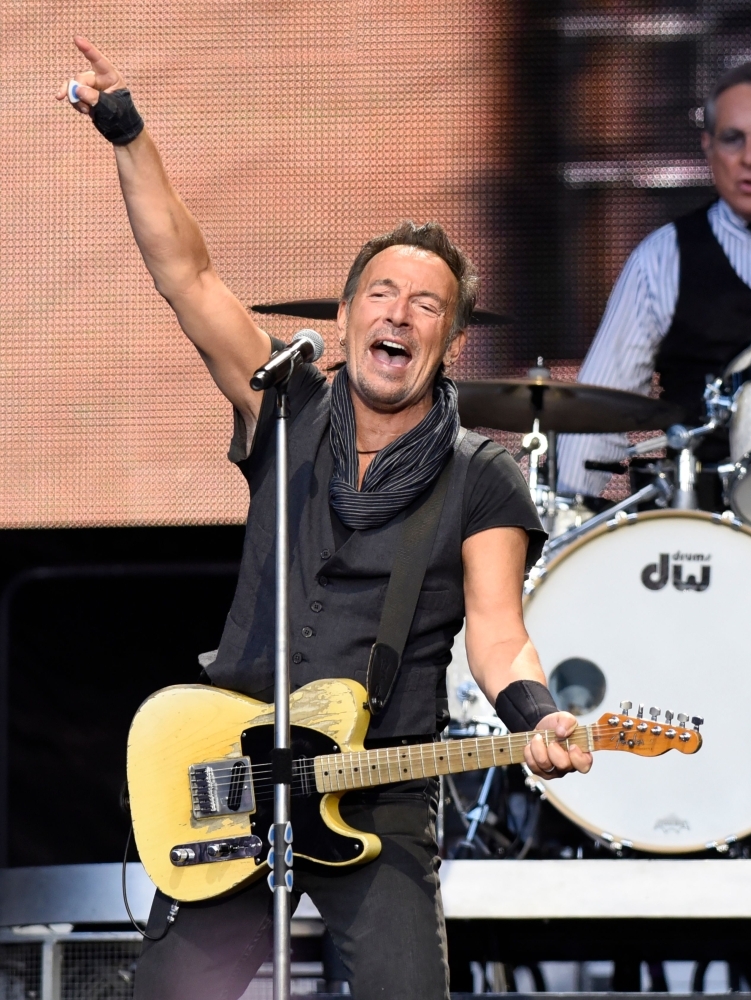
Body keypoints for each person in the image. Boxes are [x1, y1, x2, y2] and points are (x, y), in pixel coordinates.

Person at [58, 36, 592, 1000]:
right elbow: (187, 275)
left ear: (451, 339)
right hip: (234, 764)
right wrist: (127, 131)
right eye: (381, 293)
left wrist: (541, 716)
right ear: (344, 317)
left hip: (379, 790)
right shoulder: (284, 401)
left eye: (426, 304)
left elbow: (499, 637)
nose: (400, 313)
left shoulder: (485, 478)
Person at [558, 61, 751, 508]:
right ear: (708, 146)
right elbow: (598, 415)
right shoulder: (660, 258)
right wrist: (562, 525)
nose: (750, 158)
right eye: (732, 138)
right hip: (701, 529)